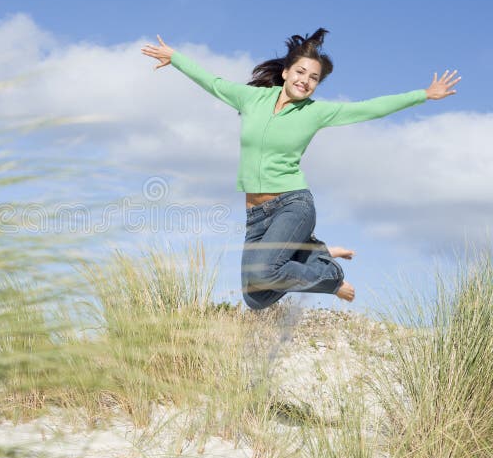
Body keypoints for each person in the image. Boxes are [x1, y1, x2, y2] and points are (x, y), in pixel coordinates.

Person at [141, 29, 460, 310]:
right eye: (300, 72)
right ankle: (314, 252)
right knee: (255, 297)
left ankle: (329, 276)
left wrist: (423, 95)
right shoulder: (251, 99)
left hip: (292, 204)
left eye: (313, 78)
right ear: (285, 73)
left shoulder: (316, 113)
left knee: (264, 273)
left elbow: (369, 109)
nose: (305, 81)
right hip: (255, 216)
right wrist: (175, 57)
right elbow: (212, 82)